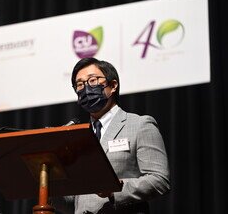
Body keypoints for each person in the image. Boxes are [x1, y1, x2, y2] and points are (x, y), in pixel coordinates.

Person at [54, 57, 170, 214]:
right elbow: (77, 203)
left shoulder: (140, 125)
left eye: (92, 80)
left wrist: (114, 189)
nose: (85, 88)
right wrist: (48, 188)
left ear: (113, 85)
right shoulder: (78, 137)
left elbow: (159, 180)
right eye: (79, 84)